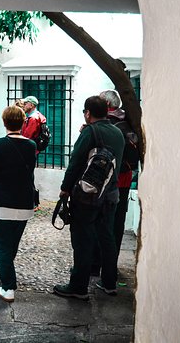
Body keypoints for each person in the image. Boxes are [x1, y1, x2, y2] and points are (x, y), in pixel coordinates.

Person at [53, 96, 124, 300]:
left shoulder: (91, 131)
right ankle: (109, 282)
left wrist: (65, 188)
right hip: (111, 194)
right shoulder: (117, 132)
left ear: (88, 113)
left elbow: (76, 162)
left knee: (83, 239)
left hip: (88, 196)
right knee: (106, 238)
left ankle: (78, 286)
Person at [0, 105, 37, 303]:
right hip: (23, 203)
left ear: (4, 122)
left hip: (0, 203)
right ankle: (5, 271)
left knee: (2, 246)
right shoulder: (31, 146)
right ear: (23, 123)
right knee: (11, 244)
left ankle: (8, 286)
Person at [99, 90, 140, 259]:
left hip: (106, 179)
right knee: (118, 221)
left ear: (107, 105)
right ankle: (112, 261)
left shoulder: (105, 123)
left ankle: (99, 262)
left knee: (102, 222)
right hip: (125, 177)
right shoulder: (129, 120)